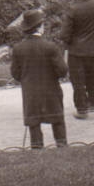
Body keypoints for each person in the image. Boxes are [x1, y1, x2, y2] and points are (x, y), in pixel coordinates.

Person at [10, 9, 68, 149]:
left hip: (31, 93)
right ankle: (62, 147)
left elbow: (15, 73)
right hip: (51, 92)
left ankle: (37, 150)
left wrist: (26, 79)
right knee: (57, 120)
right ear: (40, 26)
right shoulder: (50, 47)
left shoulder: (18, 49)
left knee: (34, 124)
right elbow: (62, 71)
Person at [59, 0, 94, 119]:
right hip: (93, 48)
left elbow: (64, 34)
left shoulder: (72, 9)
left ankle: (81, 109)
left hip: (77, 51)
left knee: (78, 81)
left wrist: (69, 42)